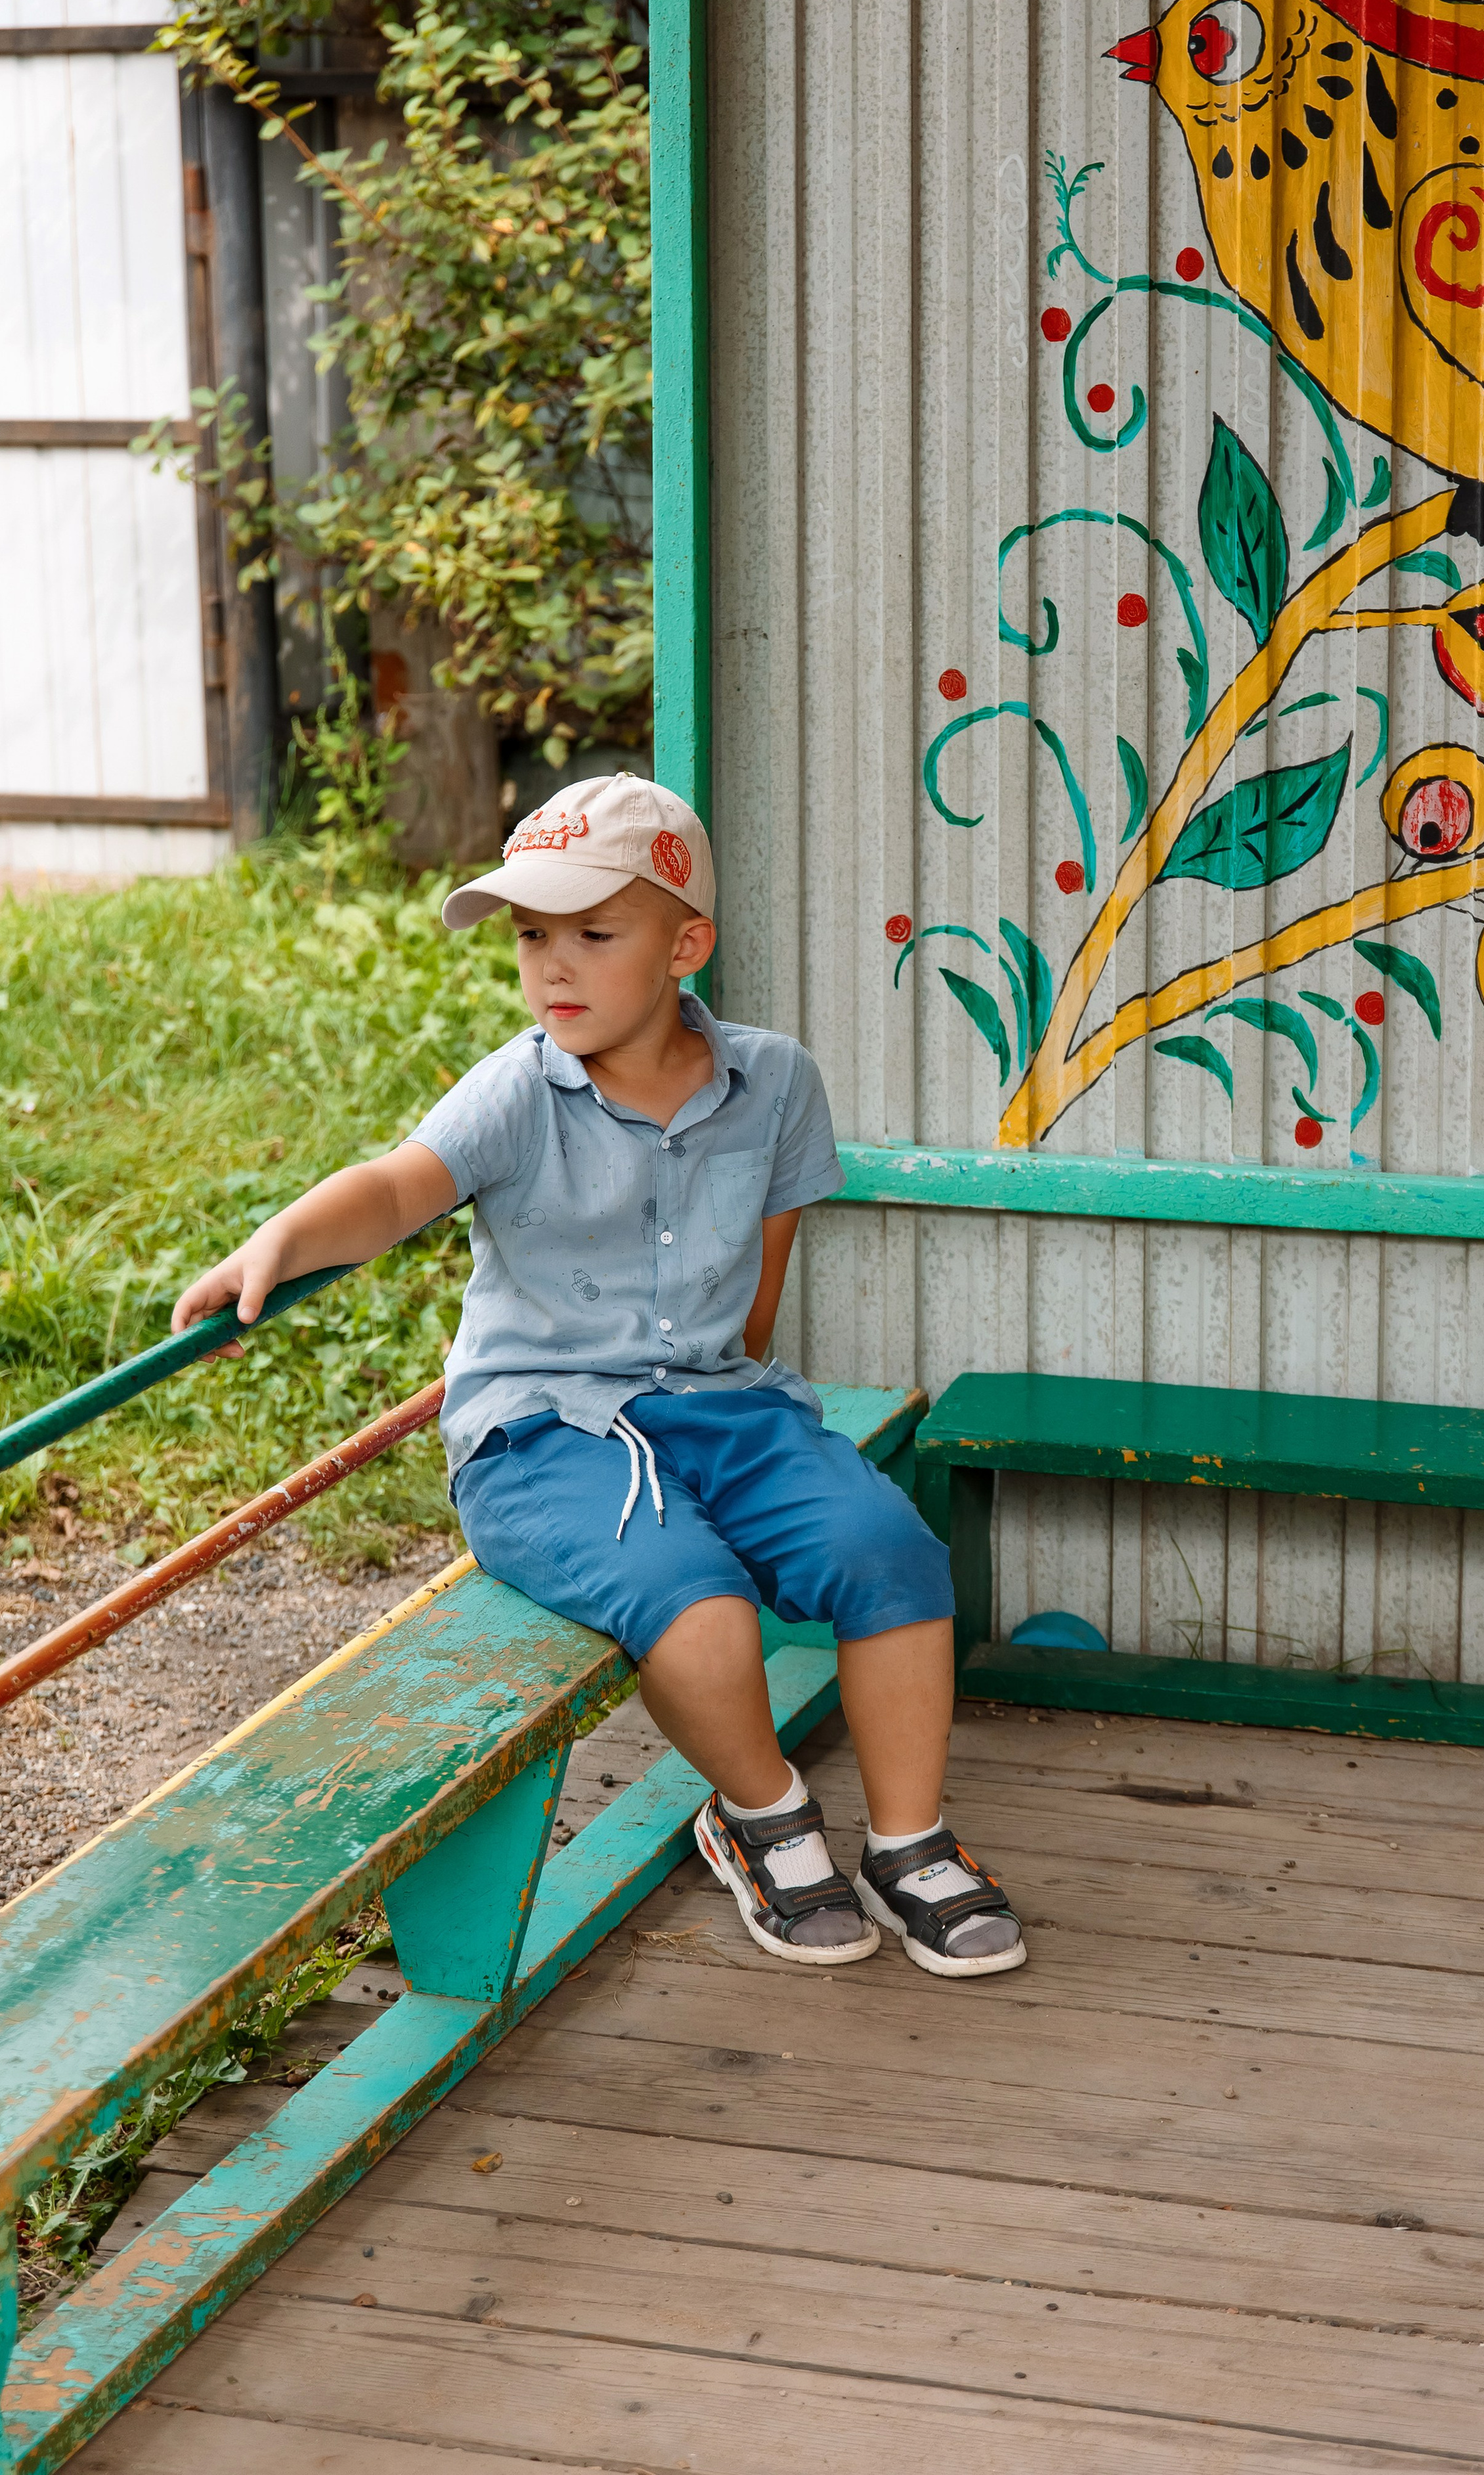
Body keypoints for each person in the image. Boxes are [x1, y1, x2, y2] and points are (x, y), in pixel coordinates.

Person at [173, 773, 1023, 1978]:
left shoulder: (775, 1081)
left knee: (888, 1548)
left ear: (688, 944)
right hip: (544, 1438)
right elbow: (401, 1184)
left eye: (592, 933)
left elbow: (758, 1291)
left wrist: (746, 1436)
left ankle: (910, 1840)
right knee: (696, 1597)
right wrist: (282, 1238)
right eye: (531, 936)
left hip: (722, 1407)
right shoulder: (523, 1088)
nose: (551, 968)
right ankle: (763, 1815)